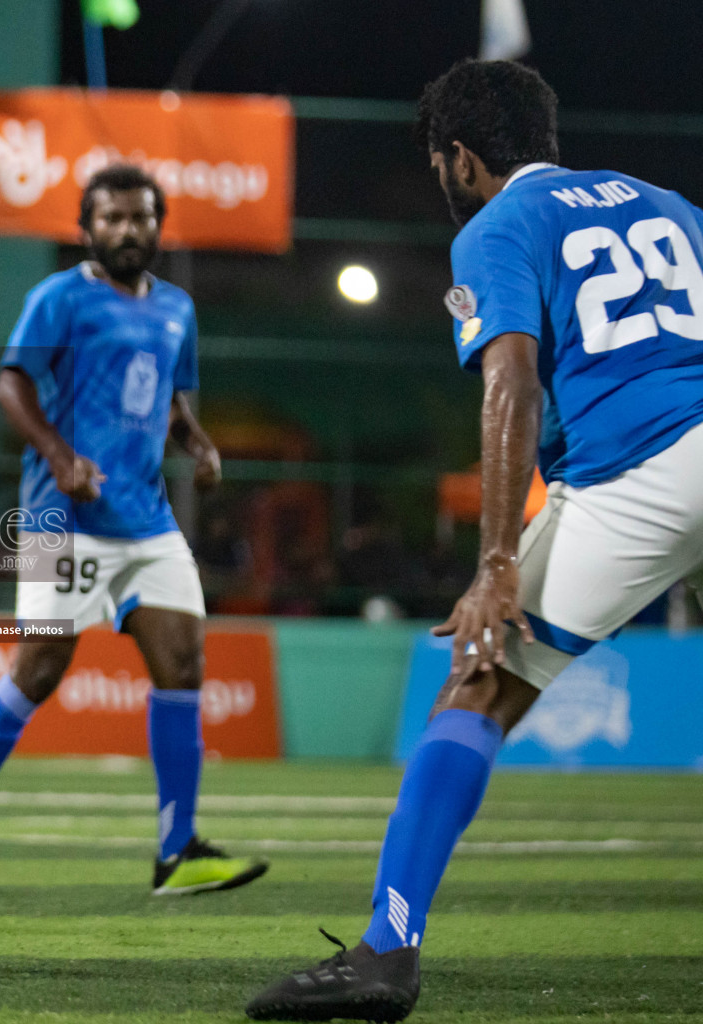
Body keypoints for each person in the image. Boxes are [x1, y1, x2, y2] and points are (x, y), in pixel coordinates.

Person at [246, 59, 703, 1022]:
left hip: (638, 474)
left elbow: (512, 387)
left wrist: (496, 563)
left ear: (460, 157)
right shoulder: (669, 201)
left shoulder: (497, 226)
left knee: (474, 685)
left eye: (436, 163)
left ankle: (385, 952)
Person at [0, 164, 267, 897]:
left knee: (183, 665)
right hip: (62, 514)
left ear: (157, 225)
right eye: (111, 218)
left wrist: (196, 442)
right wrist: (60, 455)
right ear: (86, 229)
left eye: (140, 217)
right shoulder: (59, 299)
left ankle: (178, 850)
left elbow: (166, 397)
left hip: (147, 520)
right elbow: (10, 385)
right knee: (39, 669)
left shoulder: (176, 309)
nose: (127, 230)